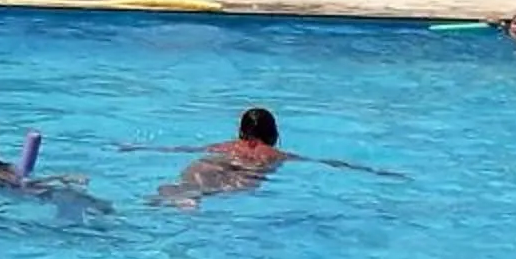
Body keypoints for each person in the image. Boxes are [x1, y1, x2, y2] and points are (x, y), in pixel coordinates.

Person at [139, 107, 401, 206]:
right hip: (246, 175)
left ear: (241, 131)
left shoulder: (221, 147)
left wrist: (134, 148)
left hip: (210, 164)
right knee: (217, 188)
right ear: (274, 133)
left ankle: (183, 193)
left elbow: (179, 149)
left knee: (194, 181)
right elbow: (327, 163)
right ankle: (190, 197)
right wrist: (374, 171)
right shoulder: (275, 154)